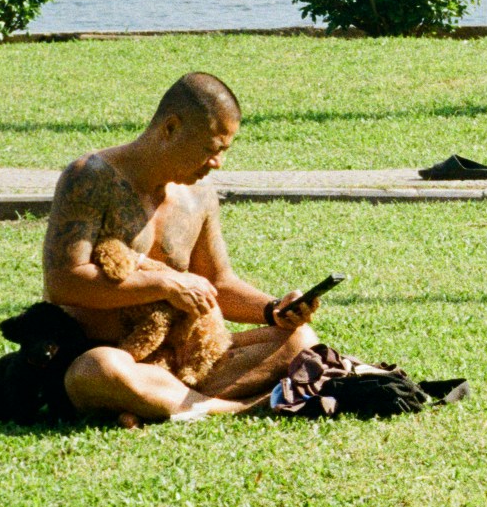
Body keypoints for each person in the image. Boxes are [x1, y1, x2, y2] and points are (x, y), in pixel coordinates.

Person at [41, 72, 320, 423]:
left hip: (181, 361)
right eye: (210, 149)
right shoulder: (91, 177)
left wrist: (274, 310)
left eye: (222, 152)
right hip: (108, 355)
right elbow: (64, 283)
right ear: (170, 128)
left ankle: (161, 404)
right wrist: (166, 284)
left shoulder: (199, 195)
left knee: (299, 340)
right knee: (98, 370)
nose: (217, 163)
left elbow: (218, 284)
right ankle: (238, 408)